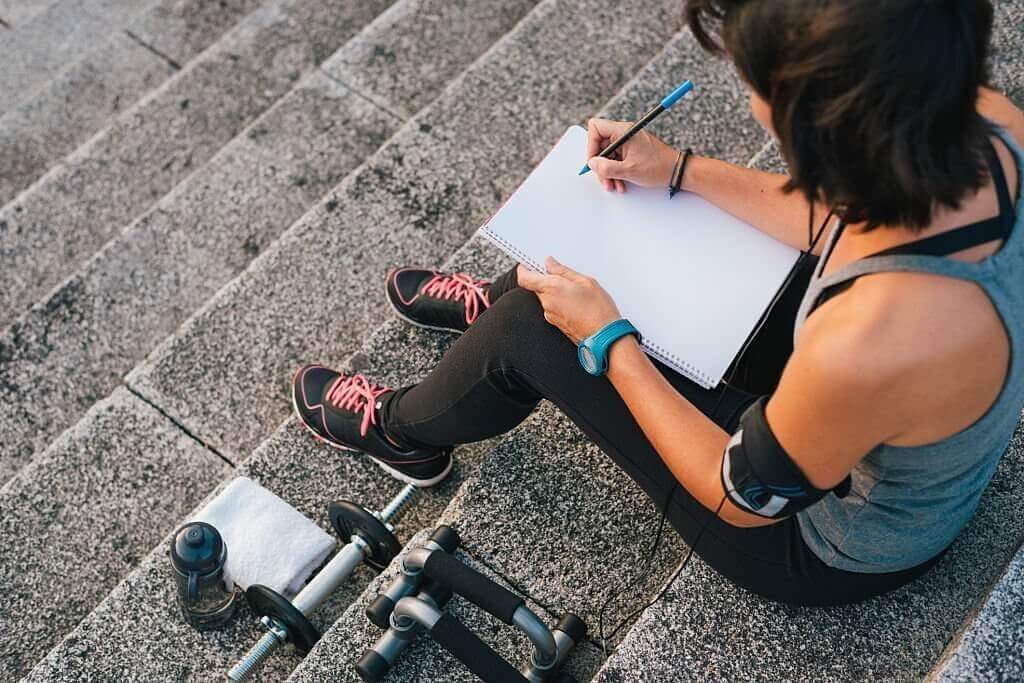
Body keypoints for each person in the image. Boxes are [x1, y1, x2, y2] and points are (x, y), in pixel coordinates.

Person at [290, 0, 1024, 606]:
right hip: (881, 422)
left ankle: (404, 432)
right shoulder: (985, 121)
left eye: (755, 83)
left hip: (824, 542)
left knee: (530, 326)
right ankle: (501, 318)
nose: (748, 98)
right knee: (596, 261)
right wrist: (677, 169)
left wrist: (611, 338)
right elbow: (841, 216)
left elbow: (738, 491)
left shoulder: (868, 342)